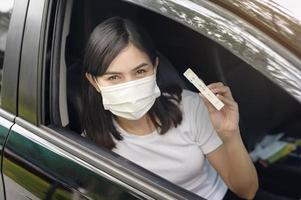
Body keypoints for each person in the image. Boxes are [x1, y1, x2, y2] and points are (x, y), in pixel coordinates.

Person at [82, 16, 258, 200]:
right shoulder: (91, 143)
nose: (130, 85)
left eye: (140, 71)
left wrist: (230, 134)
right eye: (114, 77)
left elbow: (247, 191)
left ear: (155, 68)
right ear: (94, 82)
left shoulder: (189, 107)